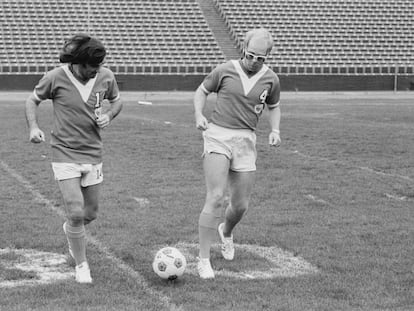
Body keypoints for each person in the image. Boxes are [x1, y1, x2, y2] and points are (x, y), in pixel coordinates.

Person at [25, 34, 122, 284]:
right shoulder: (55, 77)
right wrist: (34, 127)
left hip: (93, 153)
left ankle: (71, 231)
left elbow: (117, 101)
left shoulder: (106, 76)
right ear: (78, 62)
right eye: (92, 66)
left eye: (99, 66)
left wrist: (109, 116)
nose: (95, 70)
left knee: (90, 213)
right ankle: (82, 265)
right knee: (76, 212)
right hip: (64, 152)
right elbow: (32, 100)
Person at [193, 28, 281, 279]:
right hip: (218, 136)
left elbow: (274, 106)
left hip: (246, 141)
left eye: (260, 58)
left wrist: (275, 129)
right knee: (216, 196)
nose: (254, 61)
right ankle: (203, 259)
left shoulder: (271, 79)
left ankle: (226, 231)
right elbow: (201, 91)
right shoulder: (224, 69)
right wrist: (199, 115)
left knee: (240, 205)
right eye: (251, 55)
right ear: (243, 48)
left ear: (268, 57)